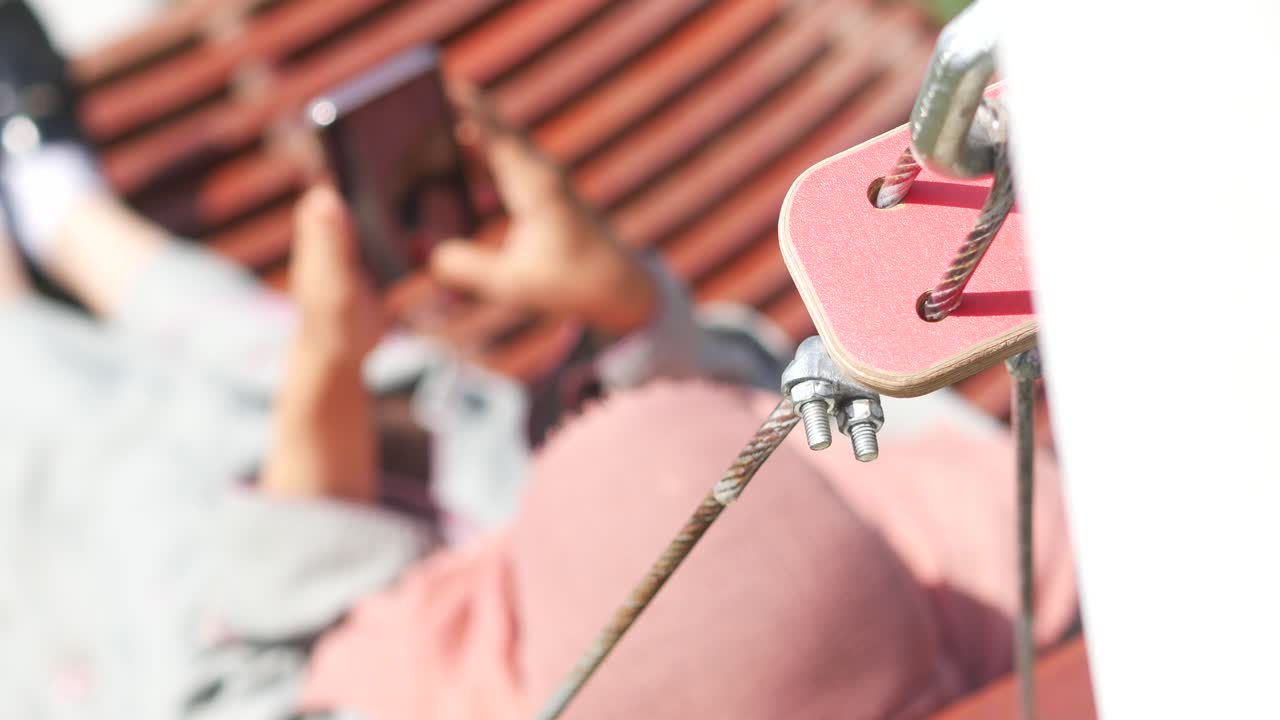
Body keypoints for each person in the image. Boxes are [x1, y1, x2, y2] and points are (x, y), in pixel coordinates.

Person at [0, 2, 1078, 717]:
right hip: (449, 482)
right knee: (292, 354)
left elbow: (259, 643)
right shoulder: (897, 630)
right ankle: (70, 218)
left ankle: (41, 235)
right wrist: (620, 302)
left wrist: (326, 364)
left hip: (148, 582)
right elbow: (746, 474)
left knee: (94, 413)